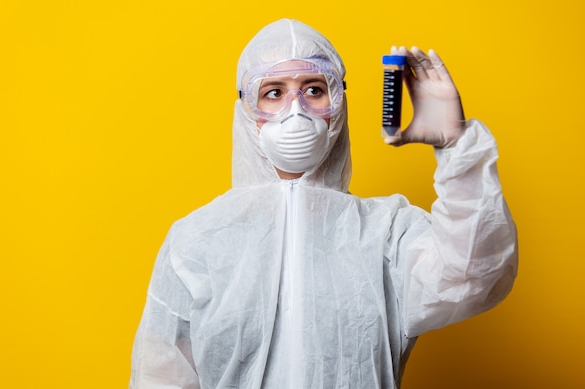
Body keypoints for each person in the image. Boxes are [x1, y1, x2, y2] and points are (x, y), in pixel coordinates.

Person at [129, 18, 518, 388]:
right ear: (248, 112)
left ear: (338, 105)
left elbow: (473, 276)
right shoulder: (197, 242)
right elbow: (160, 376)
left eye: (314, 89)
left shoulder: (386, 232)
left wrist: (456, 147)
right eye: (274, 92)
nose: (295, 110)